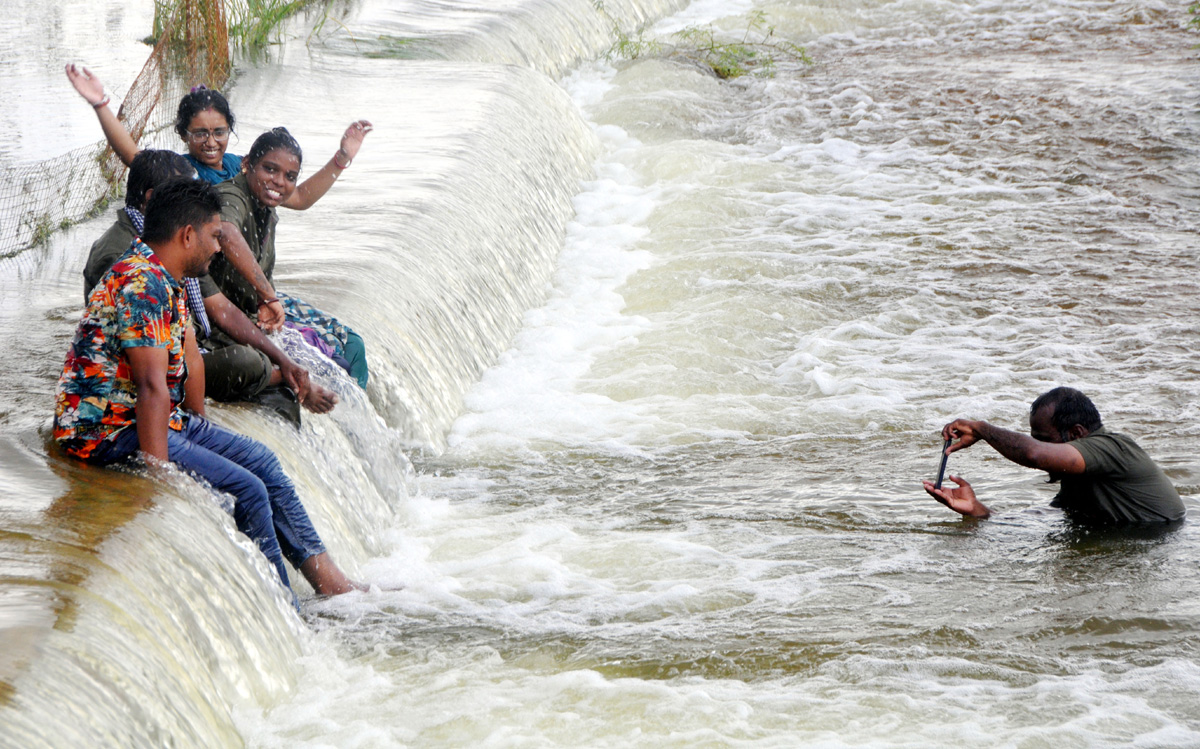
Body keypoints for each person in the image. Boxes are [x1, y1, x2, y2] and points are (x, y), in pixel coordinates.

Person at [56, 177, 359, 603]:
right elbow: (151, 387)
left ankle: (332, 584)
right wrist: (159, 478)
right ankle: (283, 610)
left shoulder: (166, 275)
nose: (220, 247)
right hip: (106, 431)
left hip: (149, 416)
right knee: (247, 489)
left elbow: (190, 360)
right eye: (215, 236)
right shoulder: (142, 285)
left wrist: (199, 429)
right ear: (186, 235)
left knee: (262, 462)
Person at [66, 62, 372, 335]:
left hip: (248, 290)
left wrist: (342, 158)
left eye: (219, 132)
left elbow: (301, 196)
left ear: (231, 131)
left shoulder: (243, 168)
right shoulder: (181, 176)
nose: (210, 142)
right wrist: (101, 104)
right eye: (199, 133)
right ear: (184, 134)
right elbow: (133, 156)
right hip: (215, 291)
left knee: (345, 339)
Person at [82, 150, 338, 423]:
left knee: (254, 345)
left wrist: (285, 361)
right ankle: (282, 380)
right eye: (187, 196)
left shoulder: (174, 242)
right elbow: (146, 366)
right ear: (153, 198)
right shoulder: (119, 256)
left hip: (183, 344)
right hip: (143, 366)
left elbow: (220, 308)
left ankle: (280, 373)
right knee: (245, 361)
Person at [200, 127, 369, 387]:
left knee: (351, 344)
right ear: (247, 165)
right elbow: (226, 232)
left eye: (290, 176)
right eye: (270, 169)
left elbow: (300, 197)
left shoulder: (265, 195)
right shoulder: (232, 195)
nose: (279, 181)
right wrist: (268, 295)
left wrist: (341, 159)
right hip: (230, 316)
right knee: (336, 369)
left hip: (259, 307)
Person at [923, 387, 1186, 526]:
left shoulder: (1112, 448)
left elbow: (1034, 454)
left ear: (1076, 433)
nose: (1042, 446)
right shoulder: (1078, 476)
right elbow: (1041, 518)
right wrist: (978, 511)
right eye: (1036, 437)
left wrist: (981, 428)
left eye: (1045, 439)